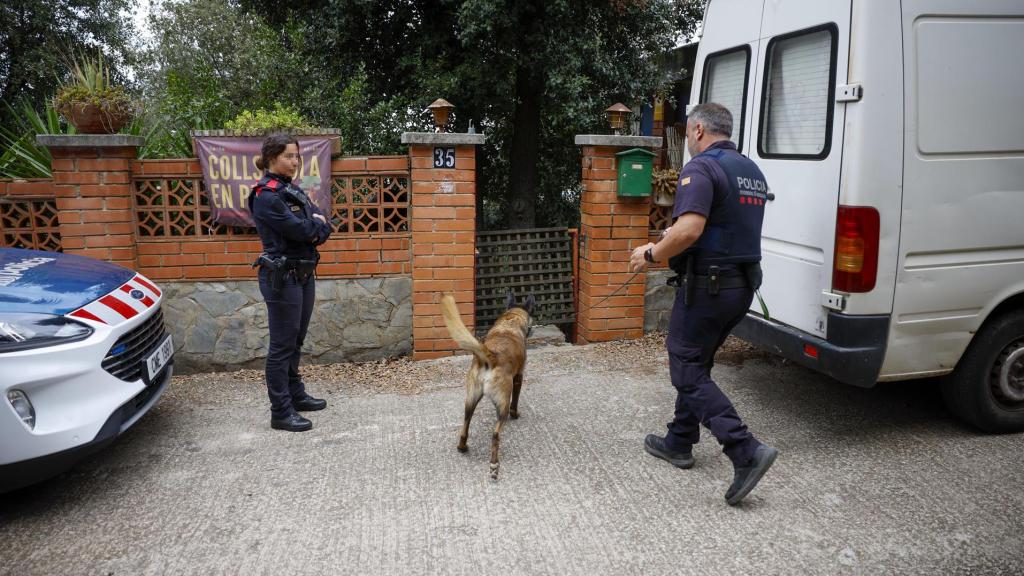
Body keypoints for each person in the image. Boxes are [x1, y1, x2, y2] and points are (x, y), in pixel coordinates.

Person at [629, 103, 778, 505]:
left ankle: (745, 451)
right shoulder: (750, 170)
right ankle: (679, 440)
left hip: (709, 288)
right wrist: (660, 244)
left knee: (685, 366)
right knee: (699, 361)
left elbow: (689, 228)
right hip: (740, 287)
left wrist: (650, 255)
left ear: (696, 130)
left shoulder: (701, 168)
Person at [249, 134, 333, 432]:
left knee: (295, 340)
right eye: (289, 156)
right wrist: (316, 226)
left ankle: (295, 395)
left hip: (303, 274)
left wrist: (317, 227)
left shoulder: (291, 190)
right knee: (282, 346)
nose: (295, 161)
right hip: (282, 277)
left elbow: (323, 226)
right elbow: (301, 230)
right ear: (272, 158)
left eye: (297, 156)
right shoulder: (266, 196)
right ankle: (280, 411)